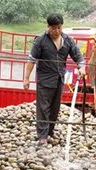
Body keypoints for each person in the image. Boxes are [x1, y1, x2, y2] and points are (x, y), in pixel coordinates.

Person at [23, 13, 87, 145]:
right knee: (43, 107)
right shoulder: (40, 41)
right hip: (45, 80)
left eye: (59, 28)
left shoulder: (67, 40)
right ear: (48, 27)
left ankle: (50, 131)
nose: (56, 31)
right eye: (53, 28)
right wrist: (26, 79)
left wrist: (82, 67)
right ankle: (42, 136)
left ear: (61, 26)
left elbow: (78, 55)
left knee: (55, 107)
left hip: (59, 79)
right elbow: (31, 61)